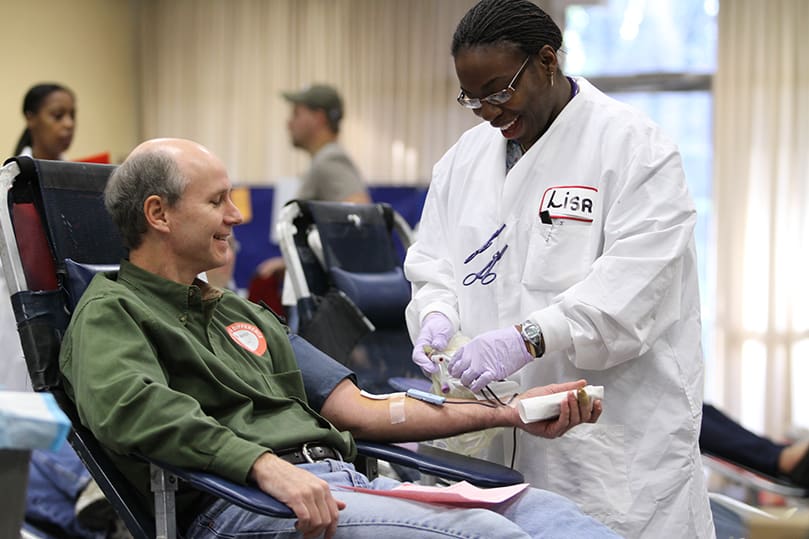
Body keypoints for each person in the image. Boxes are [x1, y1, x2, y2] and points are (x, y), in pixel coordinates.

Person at [58, 137, 620, 539]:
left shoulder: (239, 313)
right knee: (482, 533)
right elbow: (137, 412)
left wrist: (508, 413)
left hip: (335, 481)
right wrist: (261, 464)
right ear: (158, 213)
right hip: (244, 503)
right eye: (216, 201)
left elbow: (366, 411)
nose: (234, 215)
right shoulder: (112, 312)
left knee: (550, 518)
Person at [403, 0, 712, 536]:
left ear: (548, 61)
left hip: (610, 447)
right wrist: (436, 315)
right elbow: (434, 265)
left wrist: (524, 339)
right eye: (471, 98)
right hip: (499, 441)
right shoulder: (462, 161)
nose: (488, 111)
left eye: (499, 90)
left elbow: (634, 288)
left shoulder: (634, 148)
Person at [3, 83, 118, 538]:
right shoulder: (9, 188)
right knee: (30, 430)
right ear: (30, 117)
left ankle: (100, 500)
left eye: (72, 114)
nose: (68, 124)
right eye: (56, 115)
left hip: (73, 320)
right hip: (22, 330)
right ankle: (98, 496)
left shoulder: (79, 184)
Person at [701, 403, 809, 486]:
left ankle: (784, 457)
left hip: (787, 459)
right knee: (700, 411)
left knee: (696, 415)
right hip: (784, 456)